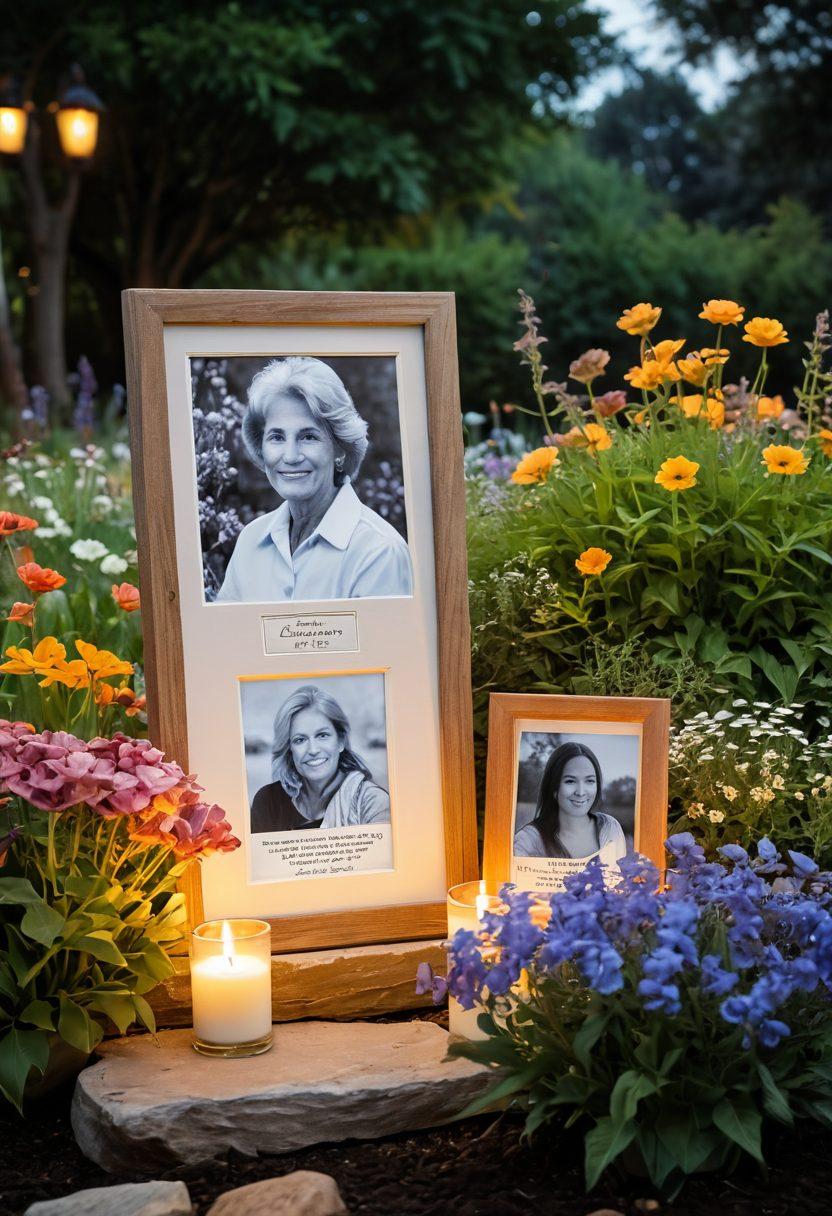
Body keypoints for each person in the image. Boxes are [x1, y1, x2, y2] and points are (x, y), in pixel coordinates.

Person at [215, 357, 413, 602]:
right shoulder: (250, 540)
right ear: (261, 447)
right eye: (277, 437)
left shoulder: (379, 552)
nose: (291, 456)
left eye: (308, 437)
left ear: (340, 447)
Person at [250, 684, 391, 833]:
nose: (313, 750)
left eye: (322, 735)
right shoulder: (269, 802)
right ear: (289, 748)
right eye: (300, 740)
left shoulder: (372, 803)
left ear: (341, 741)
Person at [513, 741, 627, 864]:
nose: (581, 792)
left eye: (589, 781)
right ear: (553, 787)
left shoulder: (610, 828)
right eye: (570, 781)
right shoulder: (528, 841)